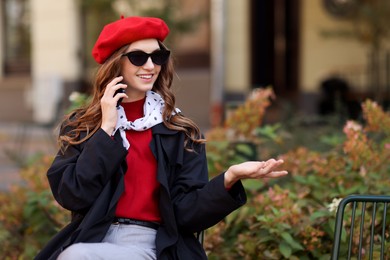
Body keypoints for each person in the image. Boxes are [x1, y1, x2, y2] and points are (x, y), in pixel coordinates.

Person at [35, 16, 288, 260]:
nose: (150, 66)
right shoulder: (83, 127)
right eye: (138, 57)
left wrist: (229, 178)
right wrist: (106, 129)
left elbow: (186, 215)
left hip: (154, 246)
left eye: (158, 57)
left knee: (78, 257)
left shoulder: (179, 131)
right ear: (116, 63)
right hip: (93, 237)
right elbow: (73, 196)